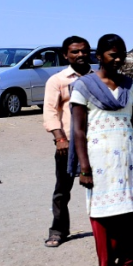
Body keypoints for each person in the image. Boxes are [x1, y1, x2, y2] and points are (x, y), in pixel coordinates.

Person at [69, 34, 133, 266]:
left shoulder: (129, 84)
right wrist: (84, 167)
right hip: (99, 160)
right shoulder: (83, 86)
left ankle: (128, 262)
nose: (118, 59)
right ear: (99, 56)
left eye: (121, 54)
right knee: (104, 215)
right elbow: (79, 130)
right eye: (113, 54)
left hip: (128, 157)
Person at [43, 36, 92, 248]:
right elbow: (50, 111)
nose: (80, 55)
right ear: (66, 55)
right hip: (69, 144)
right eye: (74, 52)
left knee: (101, 188)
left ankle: (107, 230)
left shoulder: (98, 78)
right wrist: (60, 138)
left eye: (83, 51)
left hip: (96, 143)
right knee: (62, 190)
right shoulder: (58, 80)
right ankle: (58, 230)